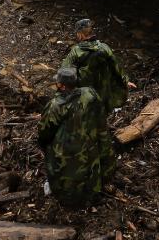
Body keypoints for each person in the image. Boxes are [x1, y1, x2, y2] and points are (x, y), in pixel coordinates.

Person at [38, 67, 112, 208]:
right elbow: (100, 115)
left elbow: (44, 135)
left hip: (66, 153)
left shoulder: (55, 105)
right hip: (89, 146)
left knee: (56, 159)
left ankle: (62, 190)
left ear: (61, 85)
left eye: (58, 82)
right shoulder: (90, 93)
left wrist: (46, 147)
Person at [61, 18, 135, 110]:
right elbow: (116, 67)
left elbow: (64, 72)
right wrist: (126, 81)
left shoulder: (76, 51)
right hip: (105, 96)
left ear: (80, 34)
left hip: (86, 98)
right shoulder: (104, 47)